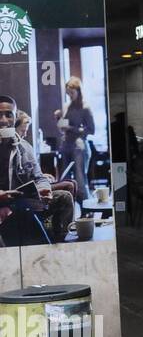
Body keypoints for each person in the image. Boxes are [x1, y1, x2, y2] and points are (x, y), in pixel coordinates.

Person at [0, 96, 73, 243]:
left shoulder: (24, 147)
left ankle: (54, 242)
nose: (3, 120)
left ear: (15, 118)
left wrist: (44, 189)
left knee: (64, 198)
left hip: (22, 203)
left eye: (8, 115)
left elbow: (38, 177)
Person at [54, 77, 94, 202]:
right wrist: (59, 119)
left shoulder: (85, 107)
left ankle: (87, 209)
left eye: (72, 93)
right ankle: (69, 208)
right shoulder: (66, 106)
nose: (70, 96)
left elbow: (92, 130)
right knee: (64, 179)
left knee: (80, 178)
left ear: (78, 91)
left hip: (79, 145)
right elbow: (62, 128)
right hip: (66, 145)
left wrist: (72, 128)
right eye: (68, 93)